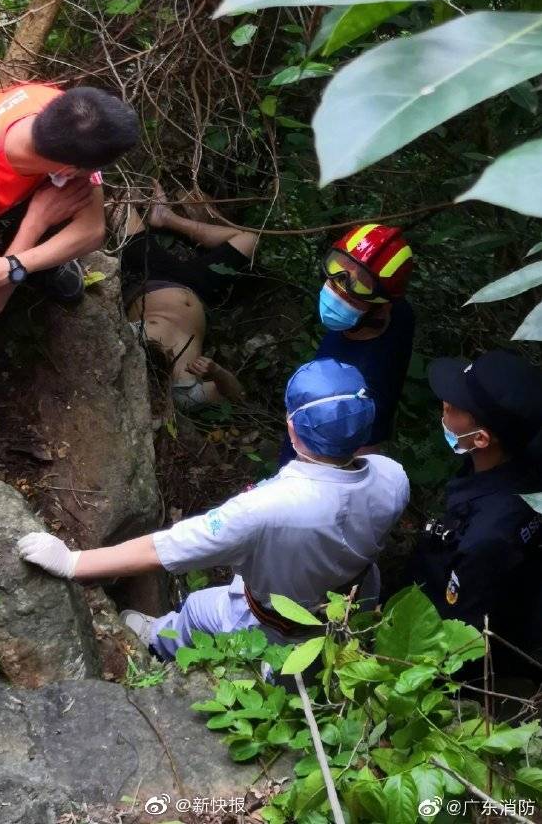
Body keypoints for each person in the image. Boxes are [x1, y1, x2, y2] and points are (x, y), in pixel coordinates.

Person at [17, 359, 410, 657]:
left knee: (197, 611)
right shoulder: (393, 478)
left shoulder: (267, 508)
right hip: (350, 604)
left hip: (273, 622)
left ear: (292, 427)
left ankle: (158, 639)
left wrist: (74, 563)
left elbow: (166, 548)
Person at [0, 84, 139, 316]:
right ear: (69, 169)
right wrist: (35, 223)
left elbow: (93, 231)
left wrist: (13, 265)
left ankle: (30, 262)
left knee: (71, 196)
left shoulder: (62, 109)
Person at [408, 350, 542, 674]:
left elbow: (461, 635)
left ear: (481, 438)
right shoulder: (519, 457)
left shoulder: (487, 536)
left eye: (454, 407)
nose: (444, 406)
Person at [281, 223, 414, 462]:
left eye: (359, 285)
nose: (338, 289)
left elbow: (358, 455)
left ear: (382, 307)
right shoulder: (396, 315)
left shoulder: (363, 385)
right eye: (338, 268)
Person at [120, 185, 256, 412]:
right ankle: (165, 217)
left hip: (152, 278)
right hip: (199, 289)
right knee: (249, 239)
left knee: (122, 205)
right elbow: (238, 396)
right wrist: (217, 373)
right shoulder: (186, 394)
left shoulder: (128, 340)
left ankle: (165, 217)